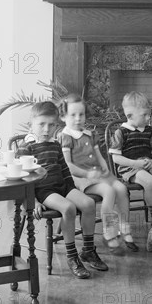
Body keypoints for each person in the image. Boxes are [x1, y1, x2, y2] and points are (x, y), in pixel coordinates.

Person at [17, 101, 107, 279]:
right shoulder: (26, 148)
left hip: (63, 186)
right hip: (44, 190)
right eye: (41, 124)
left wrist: (74, 192)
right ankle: (72, 256)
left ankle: (88, 250)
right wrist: (33, 201)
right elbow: (24, 178)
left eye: (51, 125)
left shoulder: (56, 144)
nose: (46, 129)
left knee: (88, 203)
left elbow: (65, 171)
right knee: (68, 208)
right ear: (31, 125)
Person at [57, 94, 138, 253]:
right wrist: (87, 174)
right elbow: (68, 166)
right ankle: (109, 233)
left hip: (99, 173)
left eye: (82, 114)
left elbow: (98, 155)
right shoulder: (66, 137)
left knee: (121, 189)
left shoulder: (90, 134)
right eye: (73, 115)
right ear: (63, 116)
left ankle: (124, 227)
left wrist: (104, 166)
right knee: (109, 191)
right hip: (80, 178)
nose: (78, 118)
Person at [109, 91, 152, 221]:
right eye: (145, 115)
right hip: (130, 168)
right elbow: (116, 158)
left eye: (149, 114)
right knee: (150, 182)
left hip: (149, 164)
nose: (149, 118)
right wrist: (135, 164)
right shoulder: (121, 132)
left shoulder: (150, 130)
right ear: (130, 116)